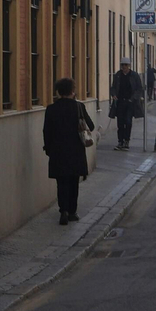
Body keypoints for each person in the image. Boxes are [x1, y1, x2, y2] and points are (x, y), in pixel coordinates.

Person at [42, 77, 92, 225]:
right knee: (73, 182)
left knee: (61, 182)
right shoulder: (79, 107)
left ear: (58, 91)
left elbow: (46, 131)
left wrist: (48, 149)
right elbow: (90, 125)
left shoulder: (51, 109)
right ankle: (72, 212)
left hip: (58, 151)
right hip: (76, 151)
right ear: (72, 91)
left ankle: (63, 210)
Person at [111, 59, 144, 151]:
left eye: (125, 65)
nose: (124, 67)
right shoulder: (118, 75)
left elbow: (139, 89)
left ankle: (126, 141)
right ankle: (120, 141)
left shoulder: (134, 75)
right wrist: (114, 95)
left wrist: (133, 98)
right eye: (122, 65)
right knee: (120, 123)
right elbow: (113, 87)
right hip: (120, 102)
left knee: (128, 122)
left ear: (129, 65)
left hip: (130, 103)